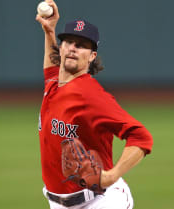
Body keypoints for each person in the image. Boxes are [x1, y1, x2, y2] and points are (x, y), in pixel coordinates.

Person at [35, 0, 153, 208]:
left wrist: (111, 175)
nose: (73, 48)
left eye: (81, 45)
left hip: (100, 201)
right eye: (68, 42)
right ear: (60, 49)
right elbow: (52, 66)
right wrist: (49, 31)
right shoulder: (53, 83)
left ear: (92, 56)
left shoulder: (91, 96)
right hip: (59, 203)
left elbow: (141, 137)